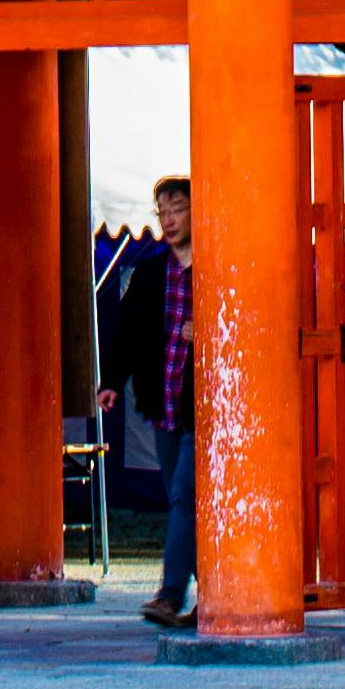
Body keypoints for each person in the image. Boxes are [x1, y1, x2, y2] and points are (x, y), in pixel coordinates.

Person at [95, 175, 196, 630]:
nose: (169, 220)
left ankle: (170, 595)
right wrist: (112, 379)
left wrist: (208, 331)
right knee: (183, 501)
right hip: (165, 405)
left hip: (205, 409)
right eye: (163, 211)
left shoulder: (216, 269)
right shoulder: (154, 272)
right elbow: (127, 330)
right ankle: (211, 594)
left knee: (184, 495)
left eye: (177, 208)